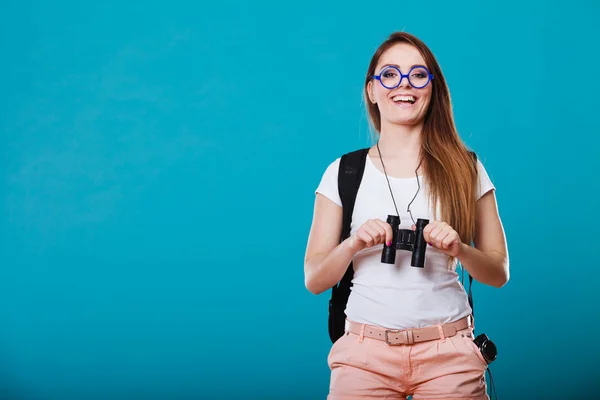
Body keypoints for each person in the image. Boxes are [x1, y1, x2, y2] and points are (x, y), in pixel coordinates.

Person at [303, 31, 510, 400]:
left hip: (448, 352)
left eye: (418, 75)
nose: (404, 85)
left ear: (433, 87)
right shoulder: (344, 172)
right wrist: (354, 244)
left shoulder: (467, 169)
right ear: (372, 89)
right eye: (389, 74)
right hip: (364, 355)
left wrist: (460, 249)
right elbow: (315, 279)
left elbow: (498, 272)